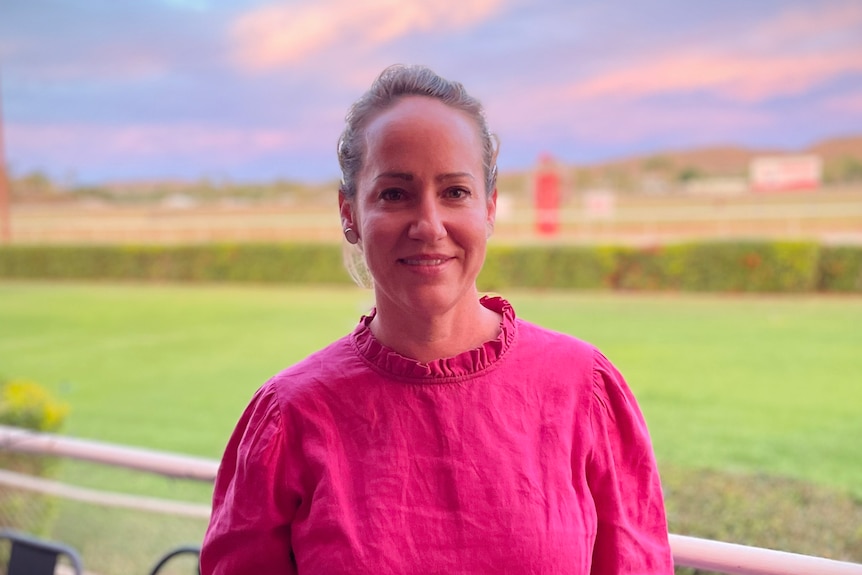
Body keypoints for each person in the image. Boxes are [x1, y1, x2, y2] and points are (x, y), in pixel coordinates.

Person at [200, 64, 673, 574]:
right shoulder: (287, 419)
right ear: (349, 213)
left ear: (489, 208)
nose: (429, 226)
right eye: (395, 194)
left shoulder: (585, 389)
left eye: (455, 192)